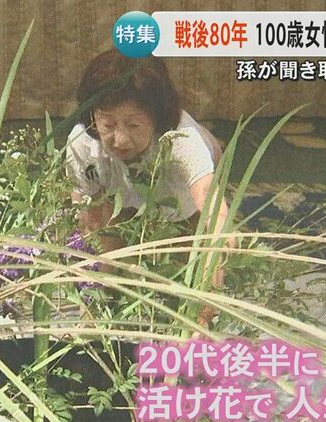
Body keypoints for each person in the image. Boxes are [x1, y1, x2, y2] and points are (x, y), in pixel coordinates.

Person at [65, 48, 233, 329]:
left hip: (178, 186)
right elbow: (87, 220)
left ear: (156, 116)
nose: (119, 139)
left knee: (187, 262)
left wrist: (203, 313)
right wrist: (92, 293)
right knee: (110, 246)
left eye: (133, 124)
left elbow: (210, 209)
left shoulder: (182, 142)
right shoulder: (82, 144)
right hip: (120, 184)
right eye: (108, 124)